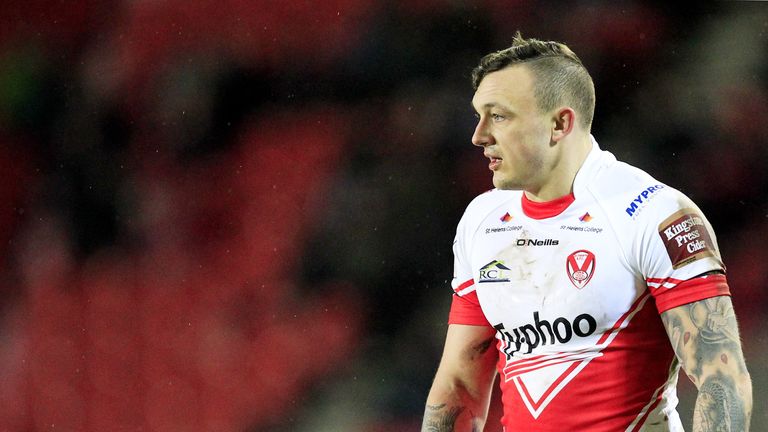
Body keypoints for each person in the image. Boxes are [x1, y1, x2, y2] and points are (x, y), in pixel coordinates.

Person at [421, 33, 752, 431]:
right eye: (479, 115)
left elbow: (721, 377)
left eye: (500, 116)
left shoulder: (654, 213)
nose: (479, 135)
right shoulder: (482, 220)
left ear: (560, 123)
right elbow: (460, 383)